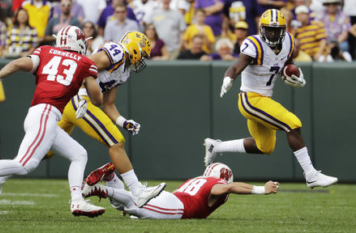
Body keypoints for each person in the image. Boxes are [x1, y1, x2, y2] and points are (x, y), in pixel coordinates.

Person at [0, 30, 166, 210]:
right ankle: (137, 190)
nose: (142, 60)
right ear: (134, 49)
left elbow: (108, 104)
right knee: (116, 141)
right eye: (142, 55)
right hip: (78, 99)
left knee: (43, 152)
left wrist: (123, 121)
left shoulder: (124, 71)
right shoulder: (116, 53)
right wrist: (83, 93)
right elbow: (82, 65)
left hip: (74, 103)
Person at [0, 25, 106, 217]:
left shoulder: (46, 51)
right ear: (81, 43)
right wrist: (93, 82)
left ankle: (77, 202)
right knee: (25, 164)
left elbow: (16, 64)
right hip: (47, 114)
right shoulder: (85, 62)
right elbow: (98, 100)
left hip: (38, 113)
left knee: (79, 154)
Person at [205, 9, 338, 189]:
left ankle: (216, 147)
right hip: (250, 99)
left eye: (276, 30)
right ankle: (311, 175)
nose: (273, 33)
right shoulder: (254, 44)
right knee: (293, 123)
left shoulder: (289, 41)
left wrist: (296, 76)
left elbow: (289, 65)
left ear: (284, 30)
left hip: (264, 98)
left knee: (264, 147)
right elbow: (236, 67)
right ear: (262, 29)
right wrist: (229, 78)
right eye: (269, 29)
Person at [82, 162, 279, 219]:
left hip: (169, 198)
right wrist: (263, 189)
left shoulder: (196, 179)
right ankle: (101, 189)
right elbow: (230, 187)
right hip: (176, 207)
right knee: (133, 206)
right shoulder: (218, 185)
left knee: (125, 205)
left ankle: (111, 178)